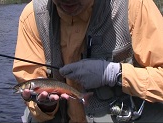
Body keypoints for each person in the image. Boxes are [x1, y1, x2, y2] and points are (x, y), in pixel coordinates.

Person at [13, 0, 163, 122]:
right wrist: (45, 106)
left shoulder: (134, 6)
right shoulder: (33, 17)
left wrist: (116, 74)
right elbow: (32, 96)